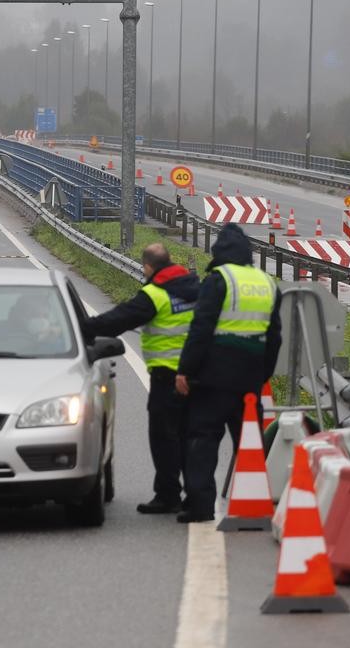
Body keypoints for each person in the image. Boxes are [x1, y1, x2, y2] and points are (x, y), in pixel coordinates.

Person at [174, 224, 282, 524]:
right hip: (250, 380)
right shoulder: (267, 283)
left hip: (213, 379)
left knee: (203, 440)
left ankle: (201, 507)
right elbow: (274, 338)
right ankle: (253, 503)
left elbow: (201, 330)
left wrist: (185, 370)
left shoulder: (218, 280)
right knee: (249, 443)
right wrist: (263, 375)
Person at [82, 243, 198, 514]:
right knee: (191, 436)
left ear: (147, 267)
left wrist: (84, 327)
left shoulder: (155, 294)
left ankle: (168, 495)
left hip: (167, 377)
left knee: (163, 438)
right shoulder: (198, 289)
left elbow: (117, 321)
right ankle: (197, 495)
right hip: (197, 375)